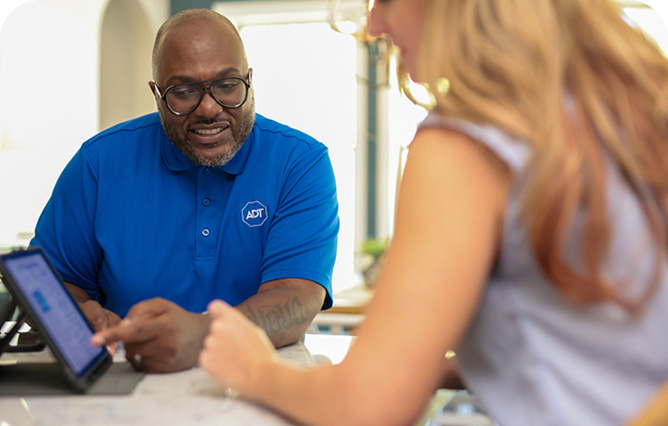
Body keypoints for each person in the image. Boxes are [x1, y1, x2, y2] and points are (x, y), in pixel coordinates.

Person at [198, 0, 668, 425]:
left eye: (387, 1)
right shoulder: (623, 102)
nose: (374, 24)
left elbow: (367, 409)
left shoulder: (468, 141)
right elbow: (605, 337)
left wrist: (252, 368)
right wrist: (436, 361)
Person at [31, 9, 339, 373]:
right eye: (183, 91)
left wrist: (201, 334)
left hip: (259, 385)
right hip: (128, 384)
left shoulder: (300, 162)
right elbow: (50, 284)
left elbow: (296, 297)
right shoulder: (97, 163)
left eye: (227, 85)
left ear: (250, 80)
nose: (209, 108)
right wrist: (77, 315)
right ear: (157, 93)